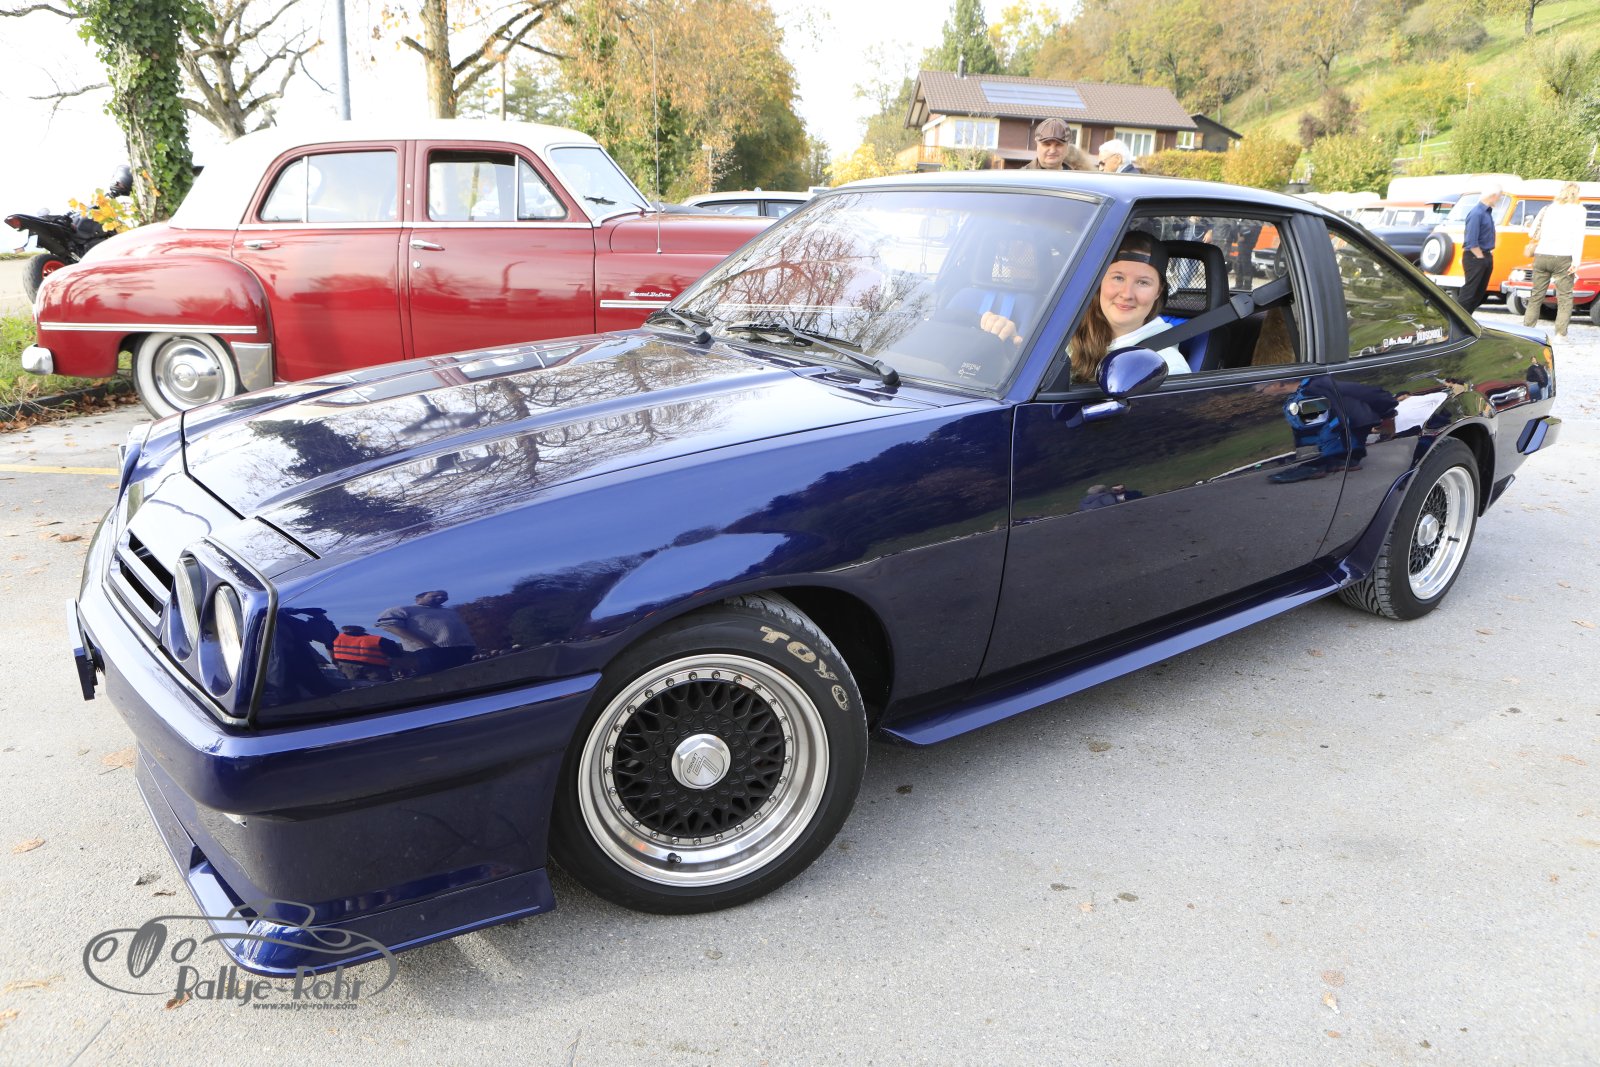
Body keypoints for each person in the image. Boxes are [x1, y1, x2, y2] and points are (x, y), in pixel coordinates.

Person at [978, 232, 1187, 381]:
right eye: (1118, 278)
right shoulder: (1068, 334)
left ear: (1158, 291)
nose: (1126, 294)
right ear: (1100, 281)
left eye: (1142, 282)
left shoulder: (1166, 366)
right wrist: (1009, 351)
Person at [1522, 182, 1586, 338]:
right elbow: (1578, 238)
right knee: (1564, 297)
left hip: (1542, 254)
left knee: (1536, 295)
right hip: (1563, 256)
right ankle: (1560, 334)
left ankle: (1527, 330)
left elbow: (1531, 233)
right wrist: (1576, 262)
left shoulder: (1547, 208)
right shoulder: (1579, 210)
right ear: (1577, 194)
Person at [376, 589, 477, 674]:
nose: (441, 597)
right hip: (431, 651)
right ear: (418, 599)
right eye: (434, 595)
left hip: (464, 649)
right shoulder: (403, 610)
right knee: (440, 677)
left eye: (444, 596)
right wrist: (425, 643)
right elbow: (389, 626)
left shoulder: (449, 611)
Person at [1458, 184, 1502, 314]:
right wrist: (1480, 257)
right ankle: (1458, 319)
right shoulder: (1476, 213)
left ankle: (1467, 319)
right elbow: (1471, 241)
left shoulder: (1486, 213)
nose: (1499, 199)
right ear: (1493, 196)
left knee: (1479, 293)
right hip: (1475, 257)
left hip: (1484, 255)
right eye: (1499, 196)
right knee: (1469, 293)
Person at [331, 624, 403, 682]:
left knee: (356, 689)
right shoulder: (379, 640)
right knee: (382, 687)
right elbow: (397, 655)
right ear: (363, 631)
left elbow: (331, 653)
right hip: (375, 668)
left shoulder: (336, 640)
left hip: (348, 669)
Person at [1024, 118, 1092, 171]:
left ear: (1067, 146)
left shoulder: (1077, 180)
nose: (1052, 150)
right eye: (1047, 144)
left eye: (1058, 145)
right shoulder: (1021, 179)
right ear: (1037, 145)